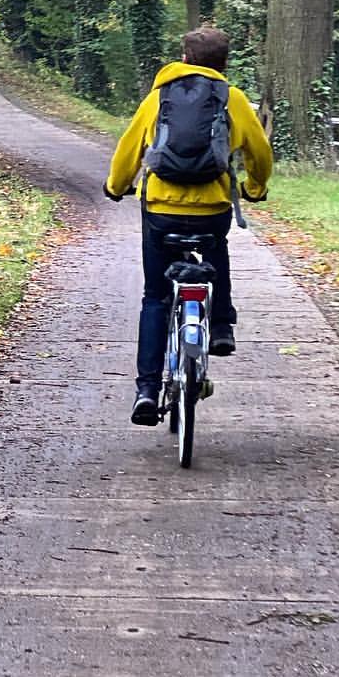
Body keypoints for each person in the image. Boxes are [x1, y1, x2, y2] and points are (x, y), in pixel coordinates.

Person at [103, 26, 272, 426]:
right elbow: (260, 152)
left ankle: (147, 391)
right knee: (216, 248)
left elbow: (129, 148)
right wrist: (254, 188)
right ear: (223, 63)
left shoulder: (158, 97)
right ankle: (221, 326)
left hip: (161, 210)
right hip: (212, 209)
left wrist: (117, 186)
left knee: (155, 296)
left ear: (184, 58)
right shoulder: (232, 99)